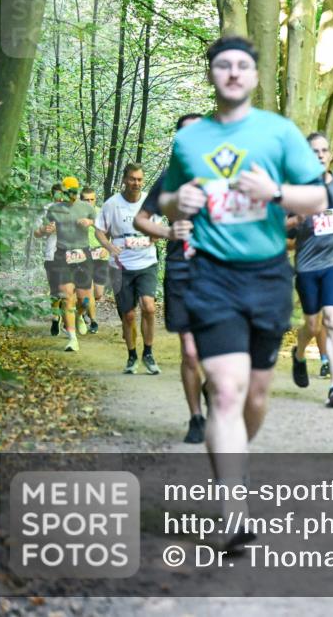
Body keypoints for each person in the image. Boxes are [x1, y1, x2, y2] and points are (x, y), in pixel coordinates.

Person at [160, 35, 326, 549]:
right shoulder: (190, 141)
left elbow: (318, 196)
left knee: (255, 395)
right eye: (223, 65)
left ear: (254, 76)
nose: (232, 73)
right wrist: (178, 202)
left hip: (267, 275)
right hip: (211, 276)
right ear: (211, 74)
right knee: (226, 392)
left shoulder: (278, 132)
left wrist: (274, 192)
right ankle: (234, 512)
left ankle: (234, 460)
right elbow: (166, 198)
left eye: (242, 65)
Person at [134, 112, 207, 444]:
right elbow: (140, 219)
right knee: (190, 351)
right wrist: (167, 232)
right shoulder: (170, 178)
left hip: (220, 273)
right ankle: (196, 417)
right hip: (181, 270)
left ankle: (212, 385)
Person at [289, 131, 333, 407]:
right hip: (306, 266)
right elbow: (282, 233)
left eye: (323, 151)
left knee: (332, 320)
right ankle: (299, 354)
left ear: (331, 156)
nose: (319, 155)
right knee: (312, 324)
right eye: (313, 151)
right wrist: (299, 220)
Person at [96, 163, 162, 375]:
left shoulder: (150, 203)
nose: (136, 183)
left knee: (149, 307)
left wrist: (152, 238)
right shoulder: (112, 204)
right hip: (120, 266)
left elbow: (157, 229)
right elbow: (99, 231)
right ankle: (132, 356)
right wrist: (108, 246)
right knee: (129, 315)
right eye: (132, 179)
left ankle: (148, 353)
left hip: (146, 263)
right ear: (125, 180)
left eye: (140, 179)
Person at [45, 176, 97, 352]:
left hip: (83, 254)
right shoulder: (54, 209)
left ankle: (79, 315)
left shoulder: (86, 208)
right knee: (66, 296)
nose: (72, 195)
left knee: (84, 300)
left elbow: (102, 225)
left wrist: (90, 222)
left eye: (75, 191)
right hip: (62, 255)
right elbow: (43, 228)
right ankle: (72, 339)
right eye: (69, 192)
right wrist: (47, 229)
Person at [34, 182, 64, 337]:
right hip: (51, 254)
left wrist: (60, 228)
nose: (60, 197)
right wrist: (44, 230)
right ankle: (55, 318)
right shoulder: (46, 209)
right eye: (57, 194)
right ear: (52, 195)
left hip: (71, 255)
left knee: (68, 288)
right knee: (55, 290)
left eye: (62, 193)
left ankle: (70, 315)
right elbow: (36, 233)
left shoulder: (72, 209)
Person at [79, 187, 107, 334]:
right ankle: (93, 320)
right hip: (84, 256)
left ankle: (82, 311)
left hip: (101, 255)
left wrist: (107, 248)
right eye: (86, 200)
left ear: (95, 199)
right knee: (88, 290)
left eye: (92, 199)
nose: (89, 202)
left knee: (98, 293)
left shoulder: (102, 212)